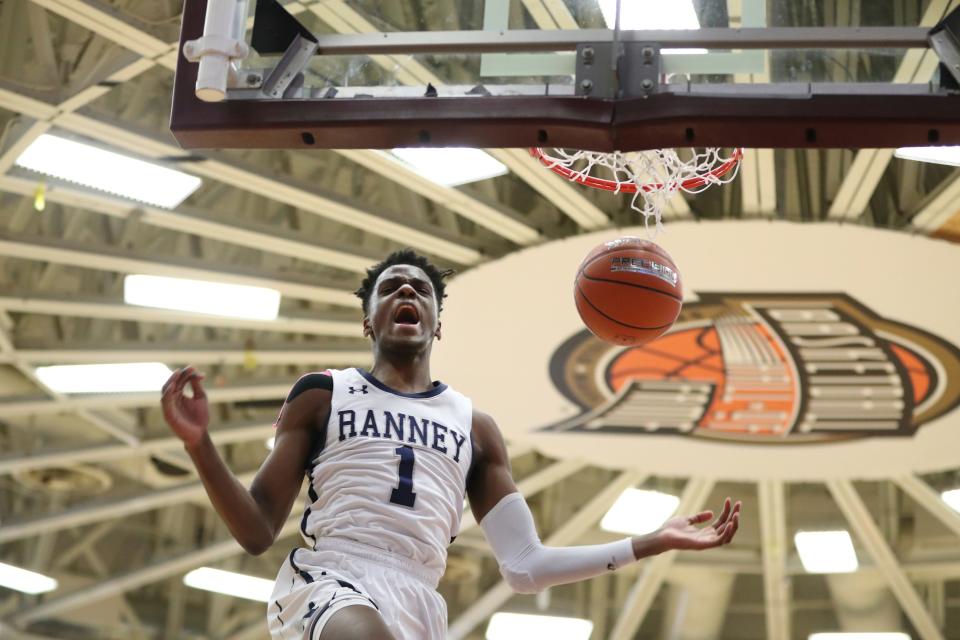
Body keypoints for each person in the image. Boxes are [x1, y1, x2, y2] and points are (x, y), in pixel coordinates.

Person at [161, 249, 741, 640]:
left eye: (421, 290)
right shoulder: (323, 393)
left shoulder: (475, 427)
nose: (407, 291)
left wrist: (648, 542)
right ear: (370, 320)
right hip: (333, 576)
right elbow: (257, 530)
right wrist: (199, 446)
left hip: (419, 597)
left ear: (437, 323)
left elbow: (525, 565)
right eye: (391, 288)